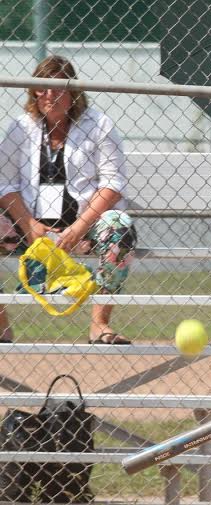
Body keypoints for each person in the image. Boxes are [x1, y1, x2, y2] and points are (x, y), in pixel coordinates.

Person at [0, 55, 134, 344]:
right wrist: (28, 225)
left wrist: (79, 228)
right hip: (32, 226)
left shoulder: (98, 124)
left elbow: (113, 184)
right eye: (42, 88)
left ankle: (99, 324)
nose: (49, 95)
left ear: (73, 92)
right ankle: (1, 326)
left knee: (120, 226)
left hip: (84, 226)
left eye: (58, 88)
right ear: (33, 92)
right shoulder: (21, 127)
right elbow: (4, 183)